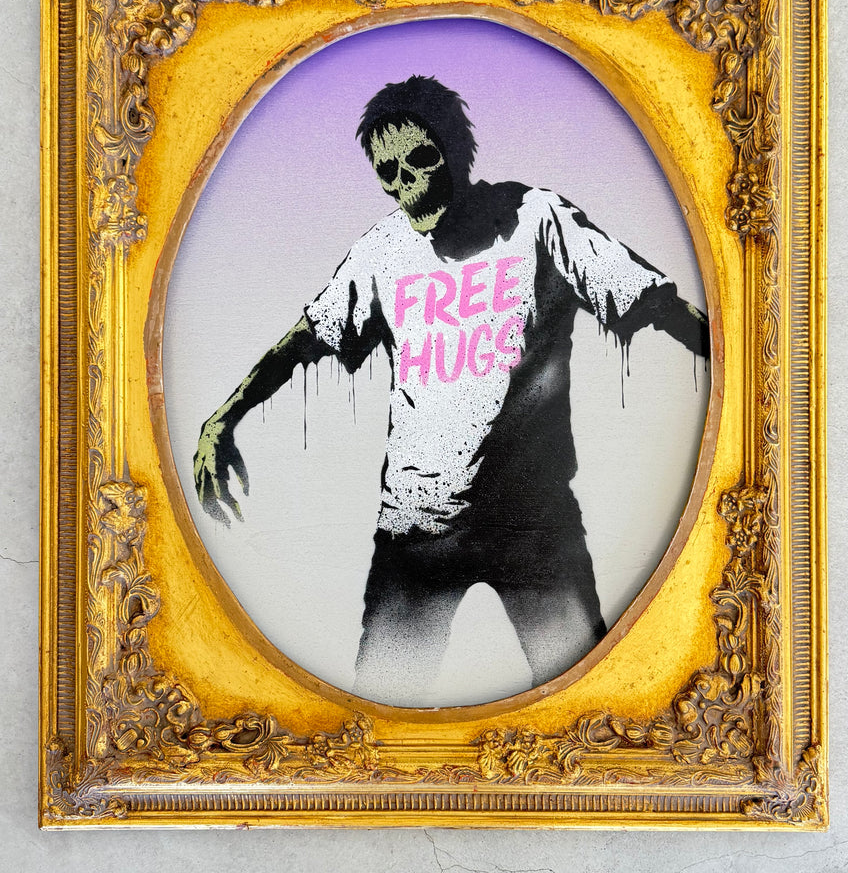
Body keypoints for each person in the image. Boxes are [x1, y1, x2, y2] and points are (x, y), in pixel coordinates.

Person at [194, 75, 709, 703]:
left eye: (421, 159)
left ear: (456, 151)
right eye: (389, 173)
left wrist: (741, 364)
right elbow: (306, 338)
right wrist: (223, 418)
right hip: (417, 531)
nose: (408, 184)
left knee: (589, 707)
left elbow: (651, 300)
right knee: (379, 712)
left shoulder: (534, 219)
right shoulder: (383, 252)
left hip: (533, 526)